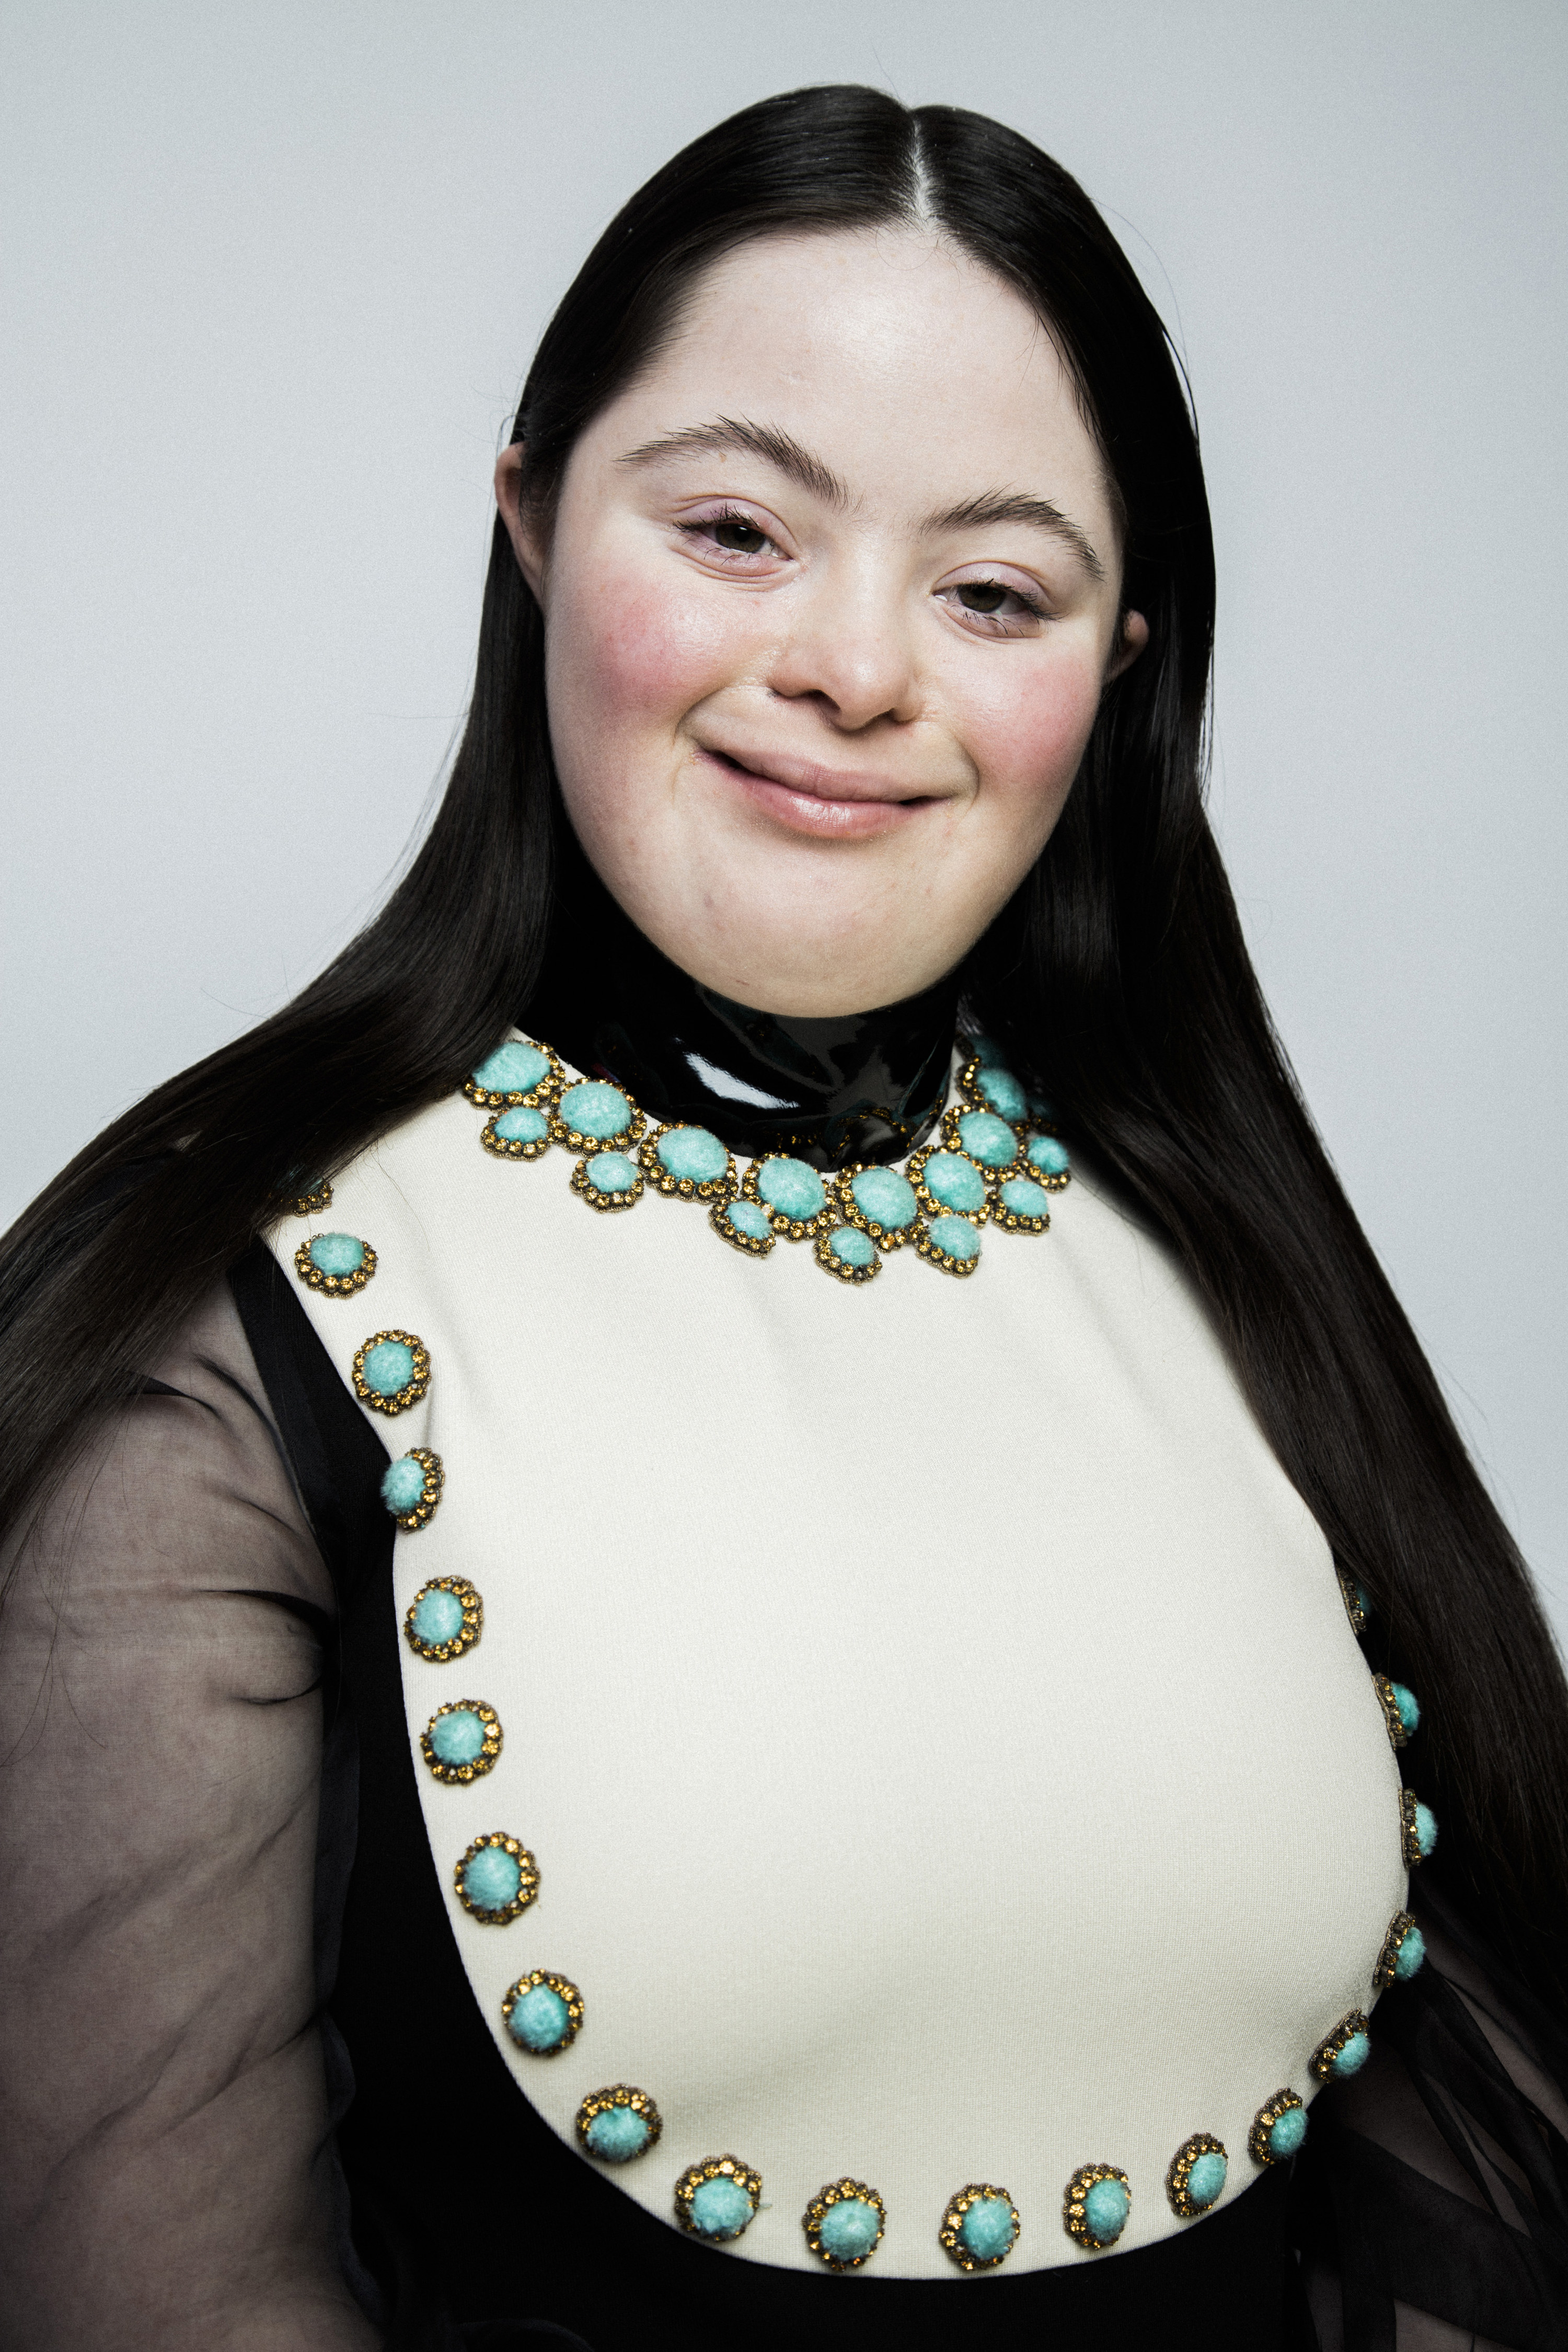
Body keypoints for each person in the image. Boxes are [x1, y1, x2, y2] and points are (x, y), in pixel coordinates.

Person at [1, 83, 1564, 2352]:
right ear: (534, 521)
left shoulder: (1213, 1253)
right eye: (737, 528)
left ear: (1119, 661)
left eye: (997, 587)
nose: (856, 665)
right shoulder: (229, 1321)